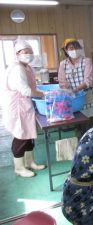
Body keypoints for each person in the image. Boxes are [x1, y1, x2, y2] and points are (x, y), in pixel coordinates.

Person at [1, 39, 46, 178]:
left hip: (26, 106)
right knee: (21, 136)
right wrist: (45, 94)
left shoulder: (27, 67)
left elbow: (33, 86)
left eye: (30, 52)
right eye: (25, 52)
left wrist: (40, 91)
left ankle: (29, 162)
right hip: (18, 108)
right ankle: (19, 168)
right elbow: (26, 90)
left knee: (29, 135)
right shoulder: (16, 69)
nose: (29, 55)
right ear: (17, 54)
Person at [58, 38, 93, 135]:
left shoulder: (87, 61)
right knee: (77, 127)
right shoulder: (63, 64)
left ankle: (88, 145)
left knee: (88, 127)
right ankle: (80, 146)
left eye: (77, 47)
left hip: (87, 96)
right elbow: (62, 82)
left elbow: (88, 81)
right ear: (65, 50)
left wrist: (76, 89)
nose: (74, 50)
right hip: (73, 99)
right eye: (71, 48)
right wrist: (68, 91)